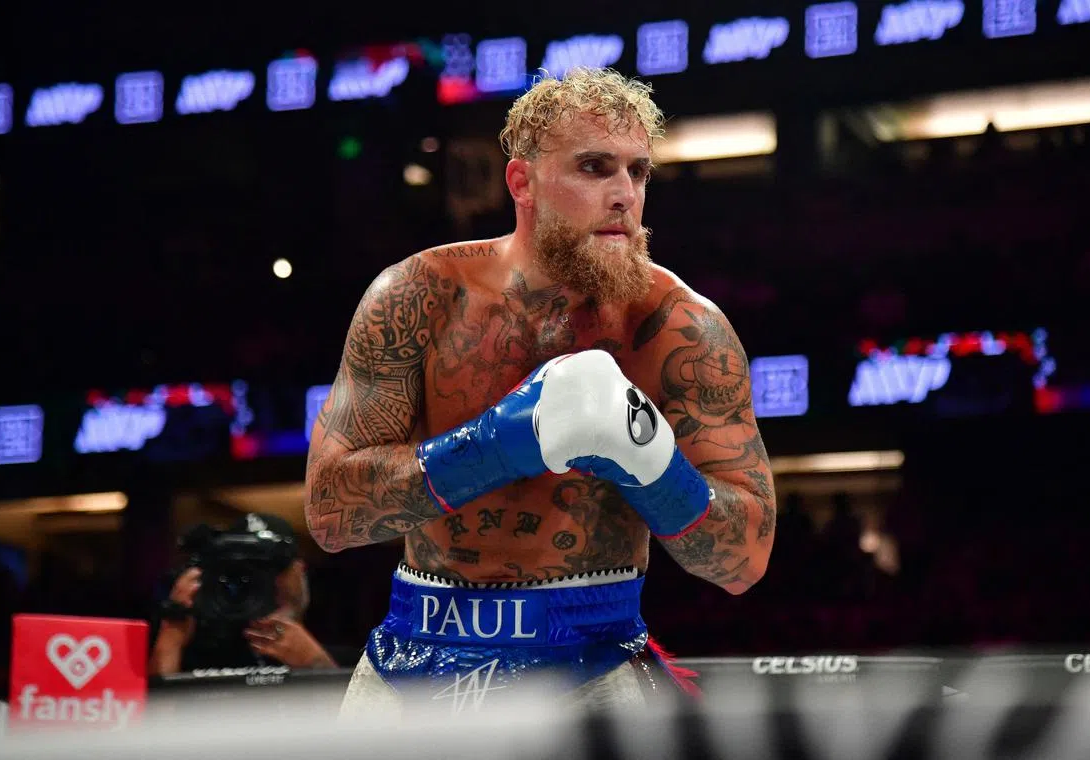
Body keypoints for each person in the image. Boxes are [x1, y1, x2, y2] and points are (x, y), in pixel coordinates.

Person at [305, 67, 776, 714]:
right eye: (593, 167)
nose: (624, 196)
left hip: (592, 667)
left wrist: (650, 461)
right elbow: (331, 513)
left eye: (637, 172)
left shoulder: (682, 331)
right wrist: (503, 445)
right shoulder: (420, 296)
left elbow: (743, 559)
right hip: (410, 663)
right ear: (521, 182)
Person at [149, 512, 337, 675]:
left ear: (300, 570)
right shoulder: (190, 657)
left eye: (274, 567)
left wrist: (316, 664)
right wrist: (172, 630)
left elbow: (355, 715)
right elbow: (152, 714)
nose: (264, 582)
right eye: (242, 571)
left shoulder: (347, 661)